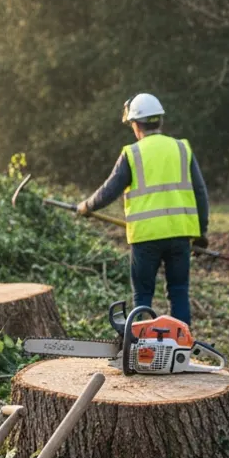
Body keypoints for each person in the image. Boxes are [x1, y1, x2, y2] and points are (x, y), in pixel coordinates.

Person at [76, 93, 209, 326]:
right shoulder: (181, 148)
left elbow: (109, 190)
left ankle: (142, 348)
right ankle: (182, 347)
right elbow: (200, 193)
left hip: (146, 238)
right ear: (160, 121)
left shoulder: (132, 153)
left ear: (136, 124)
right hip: (180, 235)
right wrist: (201, 233)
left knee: (143, 296)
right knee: (178, 292)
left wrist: (87, 206)